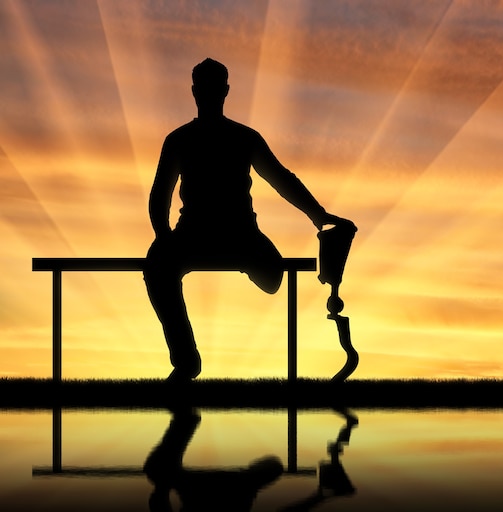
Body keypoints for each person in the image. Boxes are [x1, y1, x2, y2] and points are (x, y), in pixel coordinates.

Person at [144, 58, 349, 383]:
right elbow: (159, 199)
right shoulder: (202, 139)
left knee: (271, 277)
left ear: (212, 91)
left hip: (235, 235)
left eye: (212, 88)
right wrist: (163, 237)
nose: (209, 94)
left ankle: (185, 362)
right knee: (157, 266)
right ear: (202, 91)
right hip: (213, 235)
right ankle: (186, 362)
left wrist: (318, 215)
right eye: (206, 88)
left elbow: (282, 179)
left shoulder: (224, 138)